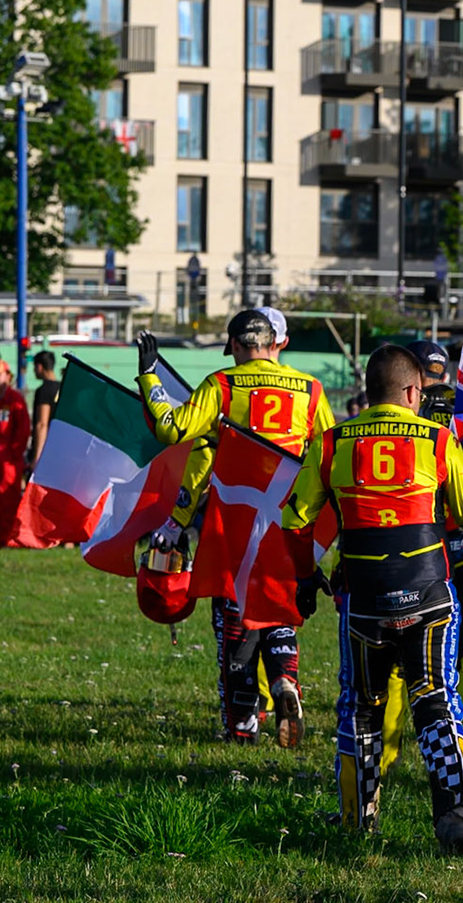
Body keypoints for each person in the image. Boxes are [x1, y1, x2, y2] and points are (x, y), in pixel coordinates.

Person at [280, 344, 463, 853]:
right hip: (430, 597)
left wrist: (306, 577)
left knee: (360, 709)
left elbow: (294, 519)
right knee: (438, 701)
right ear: (413, 392)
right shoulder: (439, 440)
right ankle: (456, 813)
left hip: (364, 602)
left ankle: (357, 819)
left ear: (370, 391)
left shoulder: (332, 443)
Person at [135, 310, 334, 746]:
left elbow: (174, 430)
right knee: (278, 610)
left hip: (235, 523)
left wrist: (149, 376)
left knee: (235, 622)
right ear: (271, 343)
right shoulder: (312, 390)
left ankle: (242, 726)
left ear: (238, 346)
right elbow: (329, 453)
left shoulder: (223, 385)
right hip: (287, 523)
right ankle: (284, 680)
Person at [376, 340, 463, 788]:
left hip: (409, 559)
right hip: (460, 557)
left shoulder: (407, 422)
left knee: (392, 668)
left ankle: (383, 759)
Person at [0, 358, 29, 548]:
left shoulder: (14, 400)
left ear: (7, 376)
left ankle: (8, 538)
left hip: (7, 460)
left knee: (8, 500)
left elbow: (23, 430)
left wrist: (14, 456)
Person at [26, 350, 59, 478]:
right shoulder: (62, 387)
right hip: (59, 451)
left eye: (34, 367)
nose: (34, 371)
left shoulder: (44, 390)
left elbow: (42, 424)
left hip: (46, 453)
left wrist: (37, 457)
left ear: (39, 367)